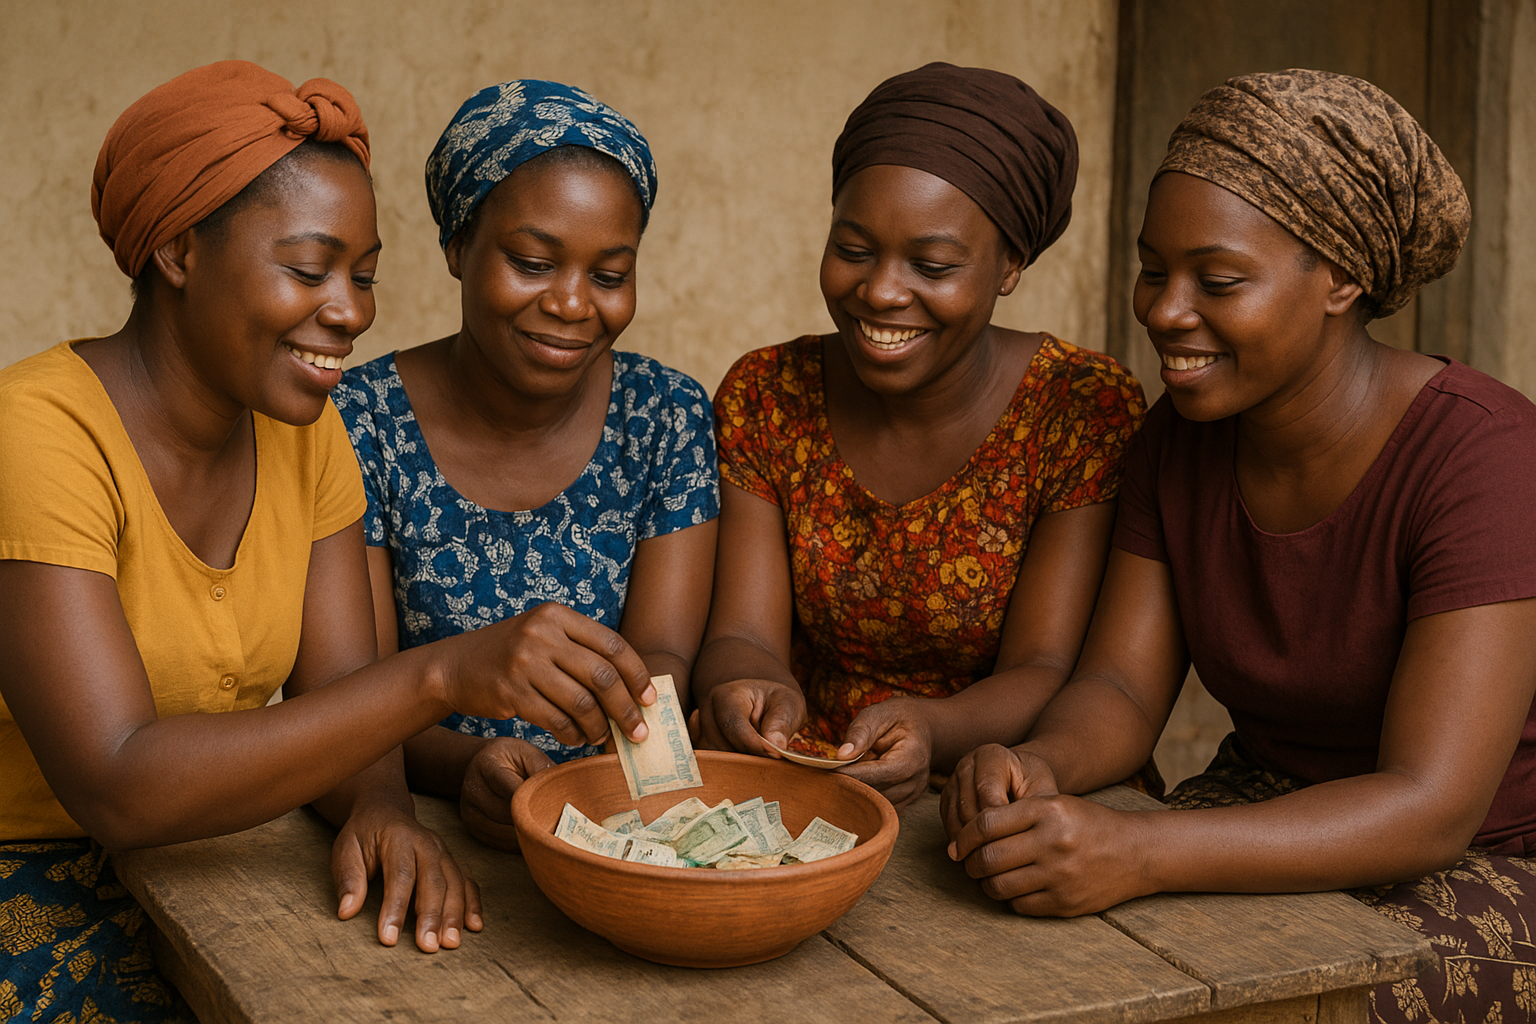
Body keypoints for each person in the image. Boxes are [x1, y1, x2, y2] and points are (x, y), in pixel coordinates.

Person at [0, 62, 655, 1023]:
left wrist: (382, 809)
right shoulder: (38, 435)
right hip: (30, 873)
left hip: (206, 867)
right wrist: (442, 676)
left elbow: (342, 702)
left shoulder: (307, 436)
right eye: (309, 272)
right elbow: (119, 784)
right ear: (179, 251)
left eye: (364, 274)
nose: (351, 312)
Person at [941, 69, 1536, 1024]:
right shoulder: (1179, 441)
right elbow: (1123, 693)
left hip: (1489, 855)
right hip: (1259, 805)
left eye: (1217, 281)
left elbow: (1431, 805)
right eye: (1152, 270)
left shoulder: (1484, 457)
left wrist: (1135, 852)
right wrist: (1036, 765)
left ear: (1341, 278)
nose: (1165, 312)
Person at [692, 63, 1146, 810]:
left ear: (1011, 266)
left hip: (1005, 787)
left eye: (932, 265)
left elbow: (1045, 667)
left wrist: (932, 728)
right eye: (854, 248)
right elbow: (743, 630)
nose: (881, 291)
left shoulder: (1077, 408)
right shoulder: (767, 395)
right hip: (806, 778)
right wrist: (755, 690)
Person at [332, 80, 718, 851]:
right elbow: (347, 699)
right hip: (419, 813)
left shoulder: (667, 416)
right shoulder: (361, 419)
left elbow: (661, 662)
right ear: (457, 247)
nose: (574, 304)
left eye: (609, 276)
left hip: (615, 820)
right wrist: (465, 765)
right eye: (533, 263)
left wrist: (601, 779)